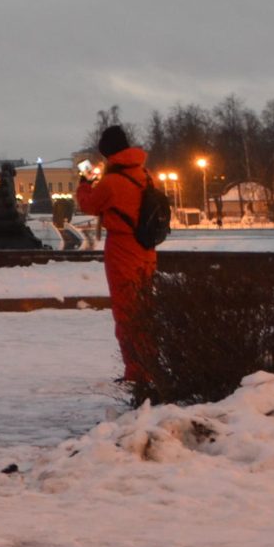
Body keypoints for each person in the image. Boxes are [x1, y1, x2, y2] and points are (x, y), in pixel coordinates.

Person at [74, 125, 157, 390]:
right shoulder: (145, 174)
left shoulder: (111, 182)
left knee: (126, 311)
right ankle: (149, 363)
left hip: (122, 249)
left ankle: (136, 370)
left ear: (108, 153)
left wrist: (84, 184)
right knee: (144, 308)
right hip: (146, 248)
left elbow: (89, 205)